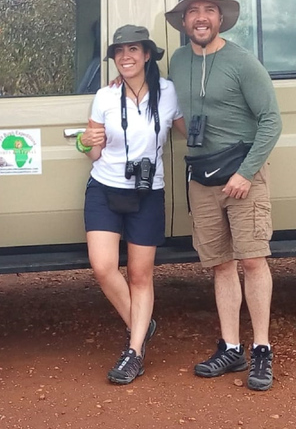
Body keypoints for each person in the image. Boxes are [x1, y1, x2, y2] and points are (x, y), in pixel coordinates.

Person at [164, 0, 282, 391]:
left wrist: (246, 174)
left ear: (220, 19)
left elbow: (271, 121)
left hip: (242, 178)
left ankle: (262, 350)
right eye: (193, 11)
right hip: (202, 176)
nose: (201, 18)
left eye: (209, 11)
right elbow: (171, 106)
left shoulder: (242, 62)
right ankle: (231, 347)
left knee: (252, 260)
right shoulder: (179, 61)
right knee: (219, 264)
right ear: (184, 22)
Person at [78, 25, 185, 385]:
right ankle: (141, 321)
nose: (126, 56)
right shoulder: (104, 96)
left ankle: (135, 351)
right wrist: (84, 142)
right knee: (104, 267)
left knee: (141, 275)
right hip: (105, 187)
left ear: (148, 54)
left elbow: (189, 129)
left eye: (134, 49)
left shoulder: (168, 93)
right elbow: (93, 150)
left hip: (148, 191)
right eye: (119, 51)